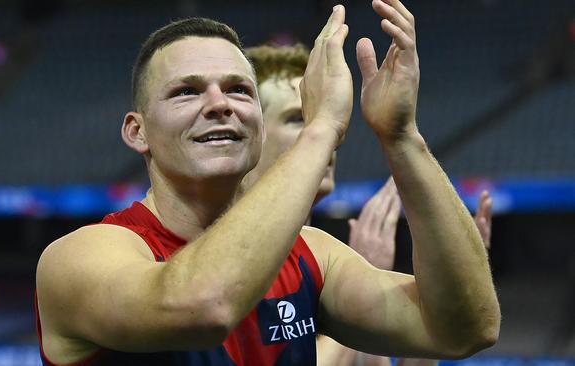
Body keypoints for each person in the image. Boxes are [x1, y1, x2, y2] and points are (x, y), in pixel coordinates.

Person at [36, 2, 500, 365]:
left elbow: (464, 330)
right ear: (137, 132)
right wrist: (322, 128)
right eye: (187, 91)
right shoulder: (80, 257)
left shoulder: (312, 255)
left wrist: (401, 137)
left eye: (239, 89)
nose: (220, 104)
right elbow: (205, 305)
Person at [244, 44, 495, 366]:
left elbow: (456, 336)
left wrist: (460, 271)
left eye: (322, 118)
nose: (323, 134)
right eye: (298, 118)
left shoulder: (327, 258)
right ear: (249, 134)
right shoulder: (229, 254)